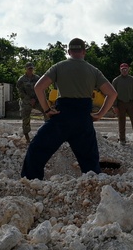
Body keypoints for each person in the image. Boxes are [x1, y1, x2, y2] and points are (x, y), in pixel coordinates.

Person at [21, 38, 117, 180]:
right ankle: (95, 187)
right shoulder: (93, 70)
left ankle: (30, 183)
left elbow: (39, 87)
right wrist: (99, 114)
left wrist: (47, 110)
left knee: (37, 150)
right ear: (84, 52)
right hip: (83, 118)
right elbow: (112, 93)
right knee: (90, 162)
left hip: (62, 117)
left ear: (68, 51)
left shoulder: (59, 67)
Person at [112, 63, 133, 146]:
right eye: (122, 69)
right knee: (121, 122)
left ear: (128, 69)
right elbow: (113, 94)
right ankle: (122, 140)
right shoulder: (116, 81)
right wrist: (114, 106)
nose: (124, 70)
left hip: (131, 103)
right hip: (120, 103)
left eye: (125, 69)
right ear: (120, 70)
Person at [16, 62, 40, 142]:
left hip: (36, 100)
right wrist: (29, 99)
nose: (30, 70)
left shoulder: (37, 78)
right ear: (26, 69)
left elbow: (41, 89)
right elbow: (20, 92)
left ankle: (48, 131)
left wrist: (35, 99)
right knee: (25, 117)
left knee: (46, 110)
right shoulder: (21, 80)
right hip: (26, 101)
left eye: (31, 68)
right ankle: (27, 137)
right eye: (29, 68)